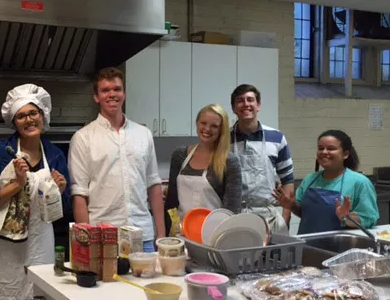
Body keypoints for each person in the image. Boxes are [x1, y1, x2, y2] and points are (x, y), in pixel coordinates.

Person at [0, 84, 70, 300]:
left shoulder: (54, 155)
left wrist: (59, 191)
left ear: (42, 116)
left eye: (33, 113)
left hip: (39, 242)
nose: (28, 120)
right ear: (14, 122)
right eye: (21, 116)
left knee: (37, 297)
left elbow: (62, 209)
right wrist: (17, 184)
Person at [68, 67, 165, 252]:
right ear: (96, 97)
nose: (112, 94)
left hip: (142, 236)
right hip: (103, 238)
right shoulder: (83, 137)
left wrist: (160, 234)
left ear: (124, 93)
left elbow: (154, 185)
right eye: (105, 90)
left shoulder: (143, 134)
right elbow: (80, 194)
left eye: (117, 89)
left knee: (145, 282)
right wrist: (86, 242)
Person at [274, 130, 379, 234]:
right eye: (320, 148)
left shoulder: (360, 182)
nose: (324, 152)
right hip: (307, 243)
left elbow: (369, 219)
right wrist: (291, 206)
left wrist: (346, 218)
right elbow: (304, 213)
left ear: (345, 154)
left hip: (340, 246)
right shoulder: (310, 179)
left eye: (331, 148)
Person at [164, 104, 242, 234]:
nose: (207, 129)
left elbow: (232, 211)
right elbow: (171, 201)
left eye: (214, 126)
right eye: (203, 123)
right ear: (196, 124)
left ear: (221, 130)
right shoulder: (180, 155)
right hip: (182, 235)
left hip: (213, 236)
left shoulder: (229, 162)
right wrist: (168, 235)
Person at [230, 84, 294, 235]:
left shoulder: (277, 138)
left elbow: (288, 180)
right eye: (240, 100)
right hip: (235, 216)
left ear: (258, 105)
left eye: (250, 100)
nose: (246, 104)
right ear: (233, 108)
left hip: (269, 218)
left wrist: (286, 218)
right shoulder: (224, 140)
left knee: (273, 259)